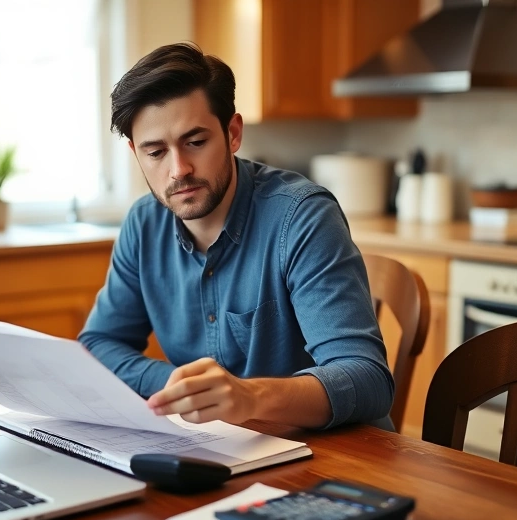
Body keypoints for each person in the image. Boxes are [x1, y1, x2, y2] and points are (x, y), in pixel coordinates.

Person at [79, 43, 393, 430]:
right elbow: (99, 344)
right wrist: (180, 389)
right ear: (136, 153)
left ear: (232, 133)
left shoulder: (302, 217)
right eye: (156, 152)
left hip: (334, 455)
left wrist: (250, 397)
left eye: (195, 142)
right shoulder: (143, 224)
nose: (179, 169)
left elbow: (368, 379)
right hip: (222, 451)